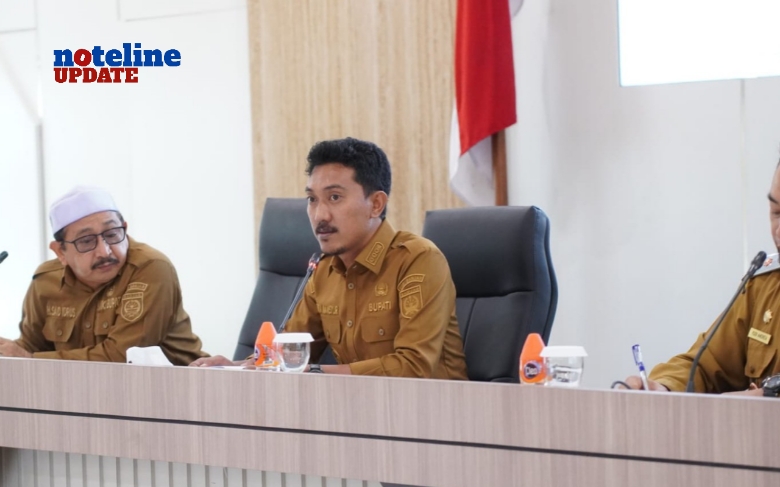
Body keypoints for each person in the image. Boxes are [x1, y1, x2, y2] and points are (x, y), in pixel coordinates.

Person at [192, 137, 468, 379]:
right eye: (312, 199)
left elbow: (414, 367)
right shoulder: (323, 271)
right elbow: (286, 355)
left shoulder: (418, 261)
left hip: (436, 414)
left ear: (376, 204)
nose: (319, 215)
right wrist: (234, 367)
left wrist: (311, 370)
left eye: (334, 197)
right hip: (356, 412)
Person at [0, 186, 208, 365]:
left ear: (124, 229)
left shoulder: (150, 268)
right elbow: (30, 348)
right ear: (60, 251)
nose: (105, 251)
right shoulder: (46, 281)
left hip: (179, 390)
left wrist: (30, 358)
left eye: (112, 234)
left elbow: (124, 357)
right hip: (82, 393)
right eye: (86, 241)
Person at [625, 159, 780, 396]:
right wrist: (665, 386)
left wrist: (769, 396)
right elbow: (706, 364)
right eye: (776, 212)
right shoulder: (763, 287)